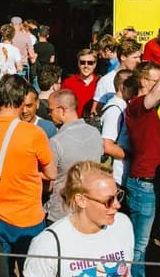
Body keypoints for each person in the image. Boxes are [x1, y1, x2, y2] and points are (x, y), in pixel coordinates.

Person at [0, 75, 57, 271]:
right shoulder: (34, 133)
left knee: (0, 271)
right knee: (30, 269)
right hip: (28, 217)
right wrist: (29, 173)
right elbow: (52, 173)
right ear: (22, 101)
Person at [24, 161, 134, 277]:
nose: (117, 205)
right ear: (81, 200)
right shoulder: (47, 245)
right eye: (109, 200)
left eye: (118, 196)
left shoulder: (123, 224)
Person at [124, 61, 160, 277]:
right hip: (142, 183)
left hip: (150, 180)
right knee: (139, 244)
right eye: (155, 79)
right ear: (143, 81)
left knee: (143, 241)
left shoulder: (147, 108)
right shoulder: (137, 105)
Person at [44, 90, 103, 223]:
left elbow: (49, 183)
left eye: (50, 110)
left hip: (60, 213)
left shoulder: (56, 142)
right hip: (87, 210)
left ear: (62, 110)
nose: (48, 114)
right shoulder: (95, 133)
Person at [100, 69, 133, 186]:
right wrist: (133, 155)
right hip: (116, 177)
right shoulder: (114, 109)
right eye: (133, 85)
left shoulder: (124, 106)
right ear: (123, 86)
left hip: (122, 174)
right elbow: (107, 146)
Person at [94, 39, 142, 107]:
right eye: (135, 57)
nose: (139, 61)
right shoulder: (106, 81)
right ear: (123, 57)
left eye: (139, 57)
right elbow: (95, 110)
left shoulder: (140, 79)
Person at [61, 48, 100, 117]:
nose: (86, 66)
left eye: (90, 63)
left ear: (95, 64)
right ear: (78, 63)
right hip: (73, 124)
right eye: (82, 62)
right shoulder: (68, 83)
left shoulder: (100, 83)